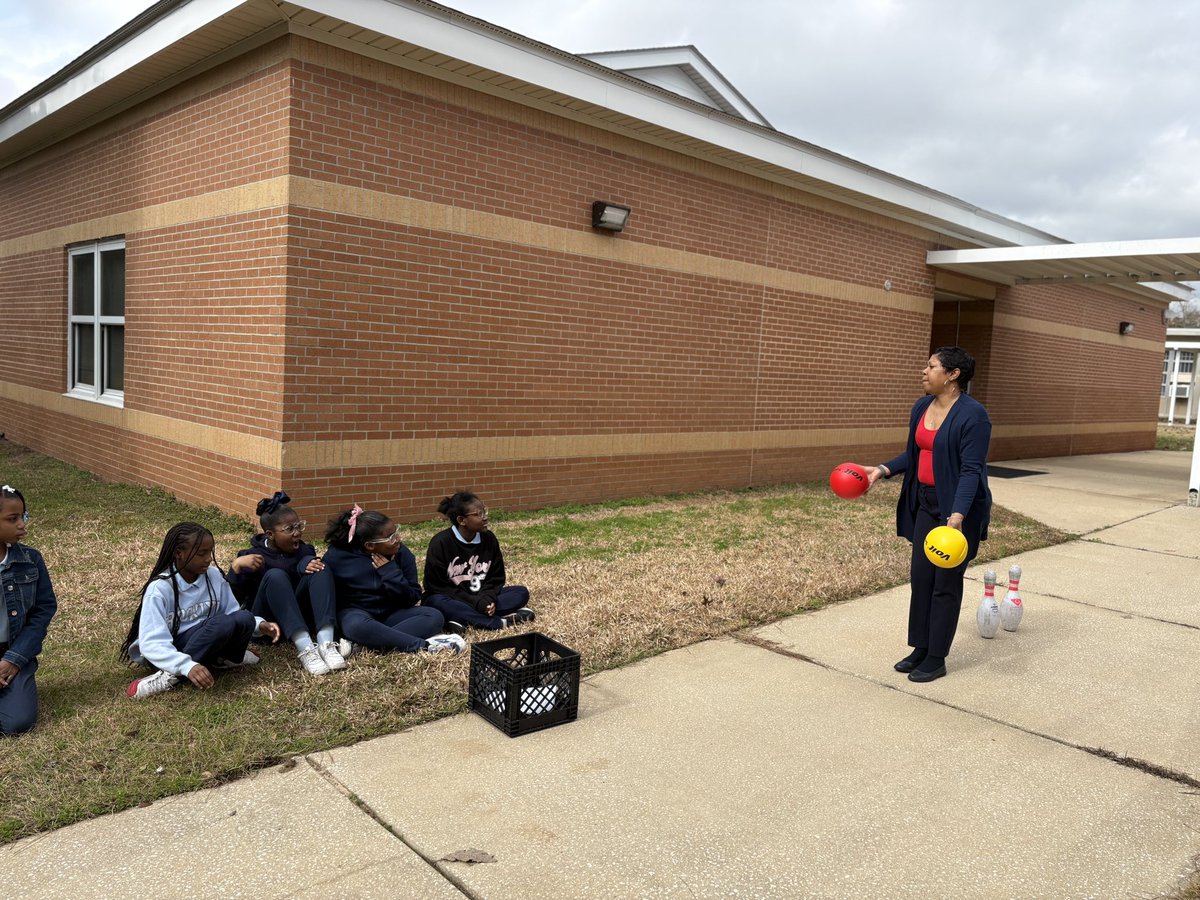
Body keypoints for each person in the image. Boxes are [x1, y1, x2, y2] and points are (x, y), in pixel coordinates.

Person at [862, 347, 992, 684]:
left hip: (956, 509)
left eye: (931, 366)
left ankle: (936, 657)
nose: (924, 371)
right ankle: (920, 646)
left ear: (952, 375)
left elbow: (970, 470)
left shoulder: (973, 416)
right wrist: (882, 469)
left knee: (944, 584)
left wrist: (958, 515)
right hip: (924, 502)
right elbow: (914, 452)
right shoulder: (922, 406)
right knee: (922, 578)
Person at [122, 522, 282, 699]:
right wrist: (185, 666)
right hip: (170, 651)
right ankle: (170, 675)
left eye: (210, 552)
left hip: (207, 636)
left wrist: (260, 625)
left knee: (245, 617)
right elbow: (152, 642)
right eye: (201, 553)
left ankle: (222, 660)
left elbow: (232, 611)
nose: (208, 559)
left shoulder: (213, 576)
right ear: (178, 554)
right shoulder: (160, 589)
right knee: (222, 623)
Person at [226, 491, 346, 677]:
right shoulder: (251, 556)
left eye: (299, 526)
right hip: (269, 623)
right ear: (270, 534)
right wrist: (236, 568)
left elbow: (311, 580)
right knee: (275, 575)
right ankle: (305, 648)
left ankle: (326, 643)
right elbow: (232, 599)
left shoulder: (304, 549)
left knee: (320, 568)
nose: (297, 532)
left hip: (299, 616)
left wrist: (306, 562)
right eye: (289, 529)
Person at [322, 505, 464, 654]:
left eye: (396, 531)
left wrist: (390, 573)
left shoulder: (402, 553)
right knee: (356, 626)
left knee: (434, 616)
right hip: (357, 614)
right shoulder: (338, 557)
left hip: (392, 614)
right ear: (370, 545)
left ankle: (365, 644)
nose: (398, 539)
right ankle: (424, 645)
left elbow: (412, 597)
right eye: (390, 537)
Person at [423, 491, 535, 632]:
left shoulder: (489, 539)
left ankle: (461, 620)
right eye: (479, 514)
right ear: (461, 520)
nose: (485, 517)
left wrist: (487, 599)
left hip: (481, 597)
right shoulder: (440, 543)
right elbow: (437, 586)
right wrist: (476, 603)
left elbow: (496, 579)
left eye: (485, 511)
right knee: (435, 602)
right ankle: (501, 623)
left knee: (520, 592)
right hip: (454, 599)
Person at [0, 485, 57, 735]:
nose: (22, 525)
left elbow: (44, 610)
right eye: (12, 519)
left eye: (23, 516)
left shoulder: (31, 560)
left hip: (13, 651)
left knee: (18, 724)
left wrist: (14, 659)